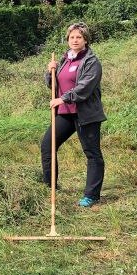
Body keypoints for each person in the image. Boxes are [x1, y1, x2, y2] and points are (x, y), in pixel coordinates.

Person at [40, 23, 106, 208]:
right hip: (65, 114)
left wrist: (63, 99)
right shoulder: (65, 60)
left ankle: (91, 195)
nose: (75, 40)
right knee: (47, 146)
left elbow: (84, 87)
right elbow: (53, 85)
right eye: (72, 37)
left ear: (85, 39)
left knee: (92, 153)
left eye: (79, 37)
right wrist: (50, 71)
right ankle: (50, 186)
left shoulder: (92, 62)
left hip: (86, 114)